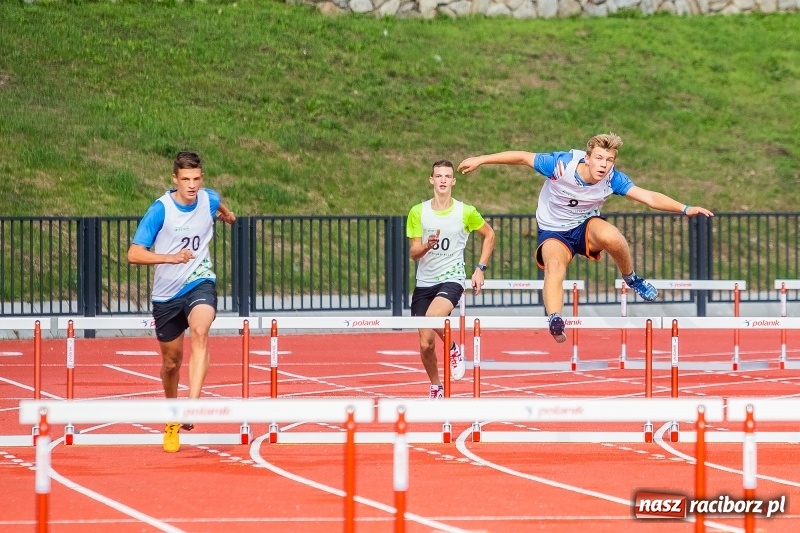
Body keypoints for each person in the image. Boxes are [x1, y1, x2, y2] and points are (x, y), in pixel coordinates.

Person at [457, 133, 713, 343]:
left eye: (609, 160)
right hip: (554, 230)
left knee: (612, 236)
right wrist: (481, 159)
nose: (603, 165)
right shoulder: (560, 165)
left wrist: (685, 208)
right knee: (554, 267)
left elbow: (648, 197)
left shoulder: (613, 179)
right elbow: (523, 158)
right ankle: (555, 318)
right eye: (599, 158)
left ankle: (631, 278)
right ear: (587, 157)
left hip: (585, 226)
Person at [127, 151, 236, 452]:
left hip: (200, 281)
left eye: (197, 179)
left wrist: (226, 215)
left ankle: (192, 406)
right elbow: (134, 254)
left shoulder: (208, 198)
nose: (192, 185)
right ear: (174, 179)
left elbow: (218, 202)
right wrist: (169, 257)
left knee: (200, 331)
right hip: (166, 294)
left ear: (202, 178)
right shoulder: (159, 211)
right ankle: (172, 417)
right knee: (171, 362)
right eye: (185, 179)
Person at [407, 160, 495, 399]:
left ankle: (454, 349)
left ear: (453, 181)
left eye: (447, 176)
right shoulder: (418, 212)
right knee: (425, 344)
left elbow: (489, 234)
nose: (443, 180)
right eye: (439, 176)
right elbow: (413, 253)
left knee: (434, 317)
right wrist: (427, 246)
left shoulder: (465, 211)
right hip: (424, 281)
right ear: (431, 180)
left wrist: (480, 269)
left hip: (452, 278)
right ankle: (436, 385)